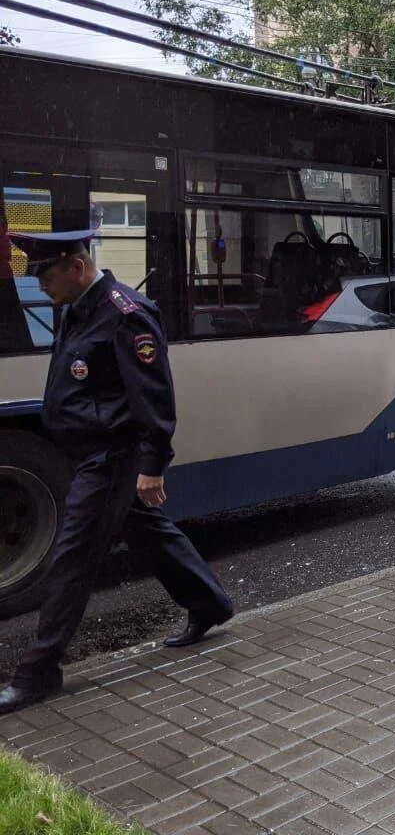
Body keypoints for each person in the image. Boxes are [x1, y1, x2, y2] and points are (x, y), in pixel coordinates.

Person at [0, 230, 234, 715]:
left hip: (111, 455)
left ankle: (39, 673)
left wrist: (152, 466)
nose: (41, 285)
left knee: (73, 557)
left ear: (76, 265)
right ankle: (209, 602)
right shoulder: (79, 307)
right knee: (150, 532)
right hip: (87, 451)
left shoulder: (126, 315)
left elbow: (154, 397)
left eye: (46, 275)